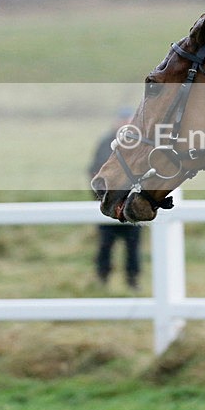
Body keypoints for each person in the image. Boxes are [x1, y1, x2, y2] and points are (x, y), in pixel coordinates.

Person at [88, 107, 143, 290]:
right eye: (123, 120)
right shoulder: (106, 144)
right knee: (105, 245)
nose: (125, 123)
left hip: (131, 205)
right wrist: (103, 199)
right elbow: (95, 172)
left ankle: (132, 281)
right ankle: (102, 278)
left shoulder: (139, 144)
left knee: (133, 247)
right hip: (109, 205)